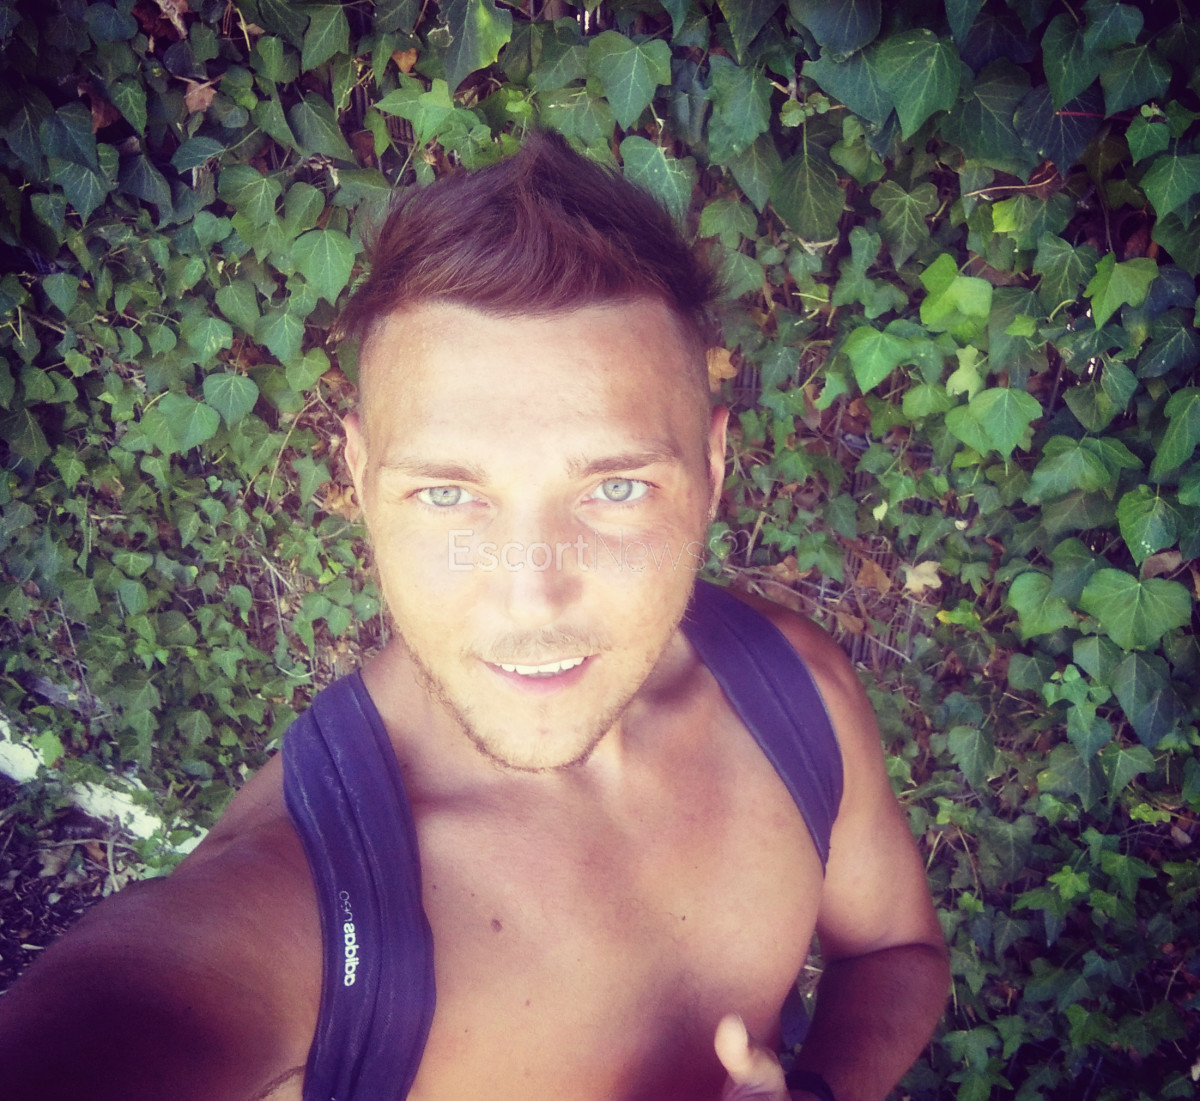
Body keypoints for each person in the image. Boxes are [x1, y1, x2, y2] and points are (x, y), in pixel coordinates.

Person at [0, 131, 948, 1101]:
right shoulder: (294, 898)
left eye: (616, 488)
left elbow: (897, 954)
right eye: (448, 494)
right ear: (359, 479)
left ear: (712, 468)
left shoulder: (793, 689)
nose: (531, 599)